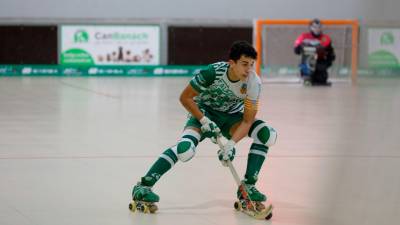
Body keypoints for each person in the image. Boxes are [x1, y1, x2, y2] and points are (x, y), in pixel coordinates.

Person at [131, 41, 278, 208]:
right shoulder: (213, 72)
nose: (248, 69)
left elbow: (247, 120)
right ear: (232, 63)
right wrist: (203, 120)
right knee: (185, 150)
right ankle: (143, 186)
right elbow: (185, 97)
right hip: (204, 113)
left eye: (252, 65)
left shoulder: (254, 83)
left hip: (232, 118)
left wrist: (231, 144)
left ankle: (248, 187)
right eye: (244, 64)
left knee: (268, 135)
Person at [294, 18, 336, 86]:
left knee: (321, 80)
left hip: (320, 62)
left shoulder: (326, 38)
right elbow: (296, 50)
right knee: (308, 79)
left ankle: (320, 76)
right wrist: (303, 46)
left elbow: (331, 54)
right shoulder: (304, 37)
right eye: (315, 27)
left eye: (319, 27)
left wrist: (327, 64)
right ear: (310, 27)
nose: (317, 29)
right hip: (307, 62)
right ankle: (306, 76)